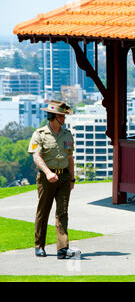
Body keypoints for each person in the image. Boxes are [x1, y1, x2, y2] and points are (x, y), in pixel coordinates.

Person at [28, 100, 80, 259]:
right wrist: (47, 172)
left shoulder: (67, 134)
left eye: (64, 116)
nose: (64, 119)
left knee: (62, 212)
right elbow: (36, 157)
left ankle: (62, 249)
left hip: (64, 177)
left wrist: (72, 179)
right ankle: (39, 245)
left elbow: (70, 158)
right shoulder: (39, 134)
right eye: (60, 116)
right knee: (43, 212)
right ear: (52, 116)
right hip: (46, 178)